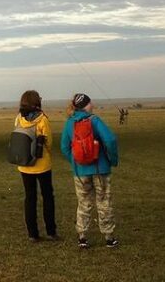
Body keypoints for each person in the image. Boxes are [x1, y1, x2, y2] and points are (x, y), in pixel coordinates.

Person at [61, 93, 119, 249]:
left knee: (84, 202)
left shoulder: (69, 123)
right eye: (90, 102)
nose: (92, 104)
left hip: (80, 173)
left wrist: (76, 162)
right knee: (104, 201)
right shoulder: (95, 120)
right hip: (101, 169)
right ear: (86, 105)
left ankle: (82, 237)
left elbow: (64, 147)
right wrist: (112, 160)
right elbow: (110, 140)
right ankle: (109, 237)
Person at [14, 90, 58, 242]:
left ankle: (32, 234)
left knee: (30, 197)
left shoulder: (19, 118)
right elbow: (49, 142)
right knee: (47, 197)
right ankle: (51, 231)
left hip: (24, 164)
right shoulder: (42, 119)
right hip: (42, 164)